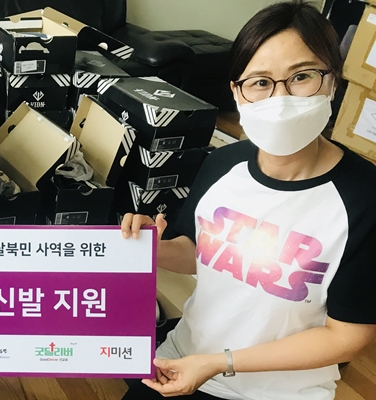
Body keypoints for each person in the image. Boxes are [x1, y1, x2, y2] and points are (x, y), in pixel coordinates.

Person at [120, 1, 376, 399]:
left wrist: (219, 362)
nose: (280, 97)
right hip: (181, 360)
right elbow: (196, 252)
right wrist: (149, 248)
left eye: (301, 76)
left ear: (333, 81)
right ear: (237, 92)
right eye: (260, 82)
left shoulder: (365, 199)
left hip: (277, 391)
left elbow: (346, 337)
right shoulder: (222, 163)